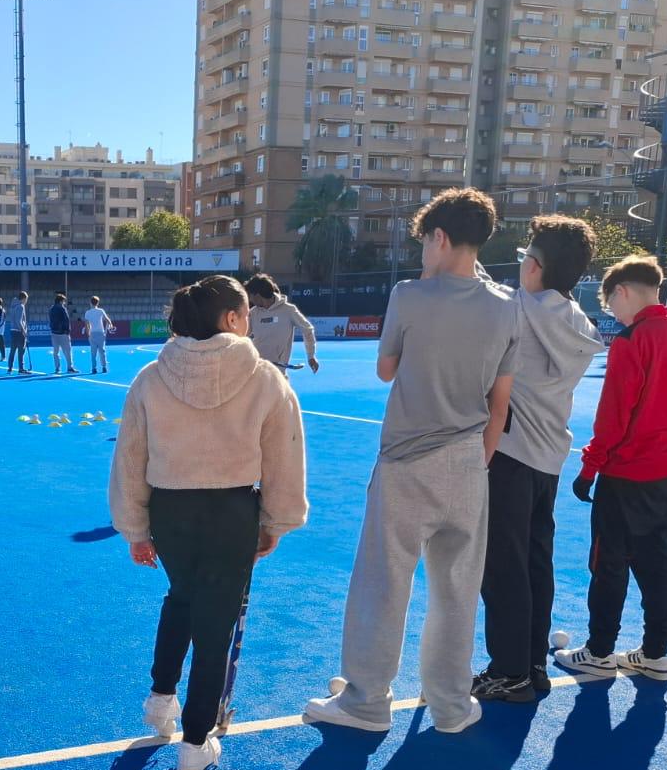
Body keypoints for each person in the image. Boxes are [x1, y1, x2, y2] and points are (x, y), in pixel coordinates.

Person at [301, 187, 517, 735]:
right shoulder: (507, 304)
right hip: (469, 461)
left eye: (424, 242)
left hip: (407, 461)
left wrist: (424, 286)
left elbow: (386, 369)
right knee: (457, 591)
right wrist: (476, 460)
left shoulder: (409, 294)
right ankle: (451, 705)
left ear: (439, 237)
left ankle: (366, 702)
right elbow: (501, 402)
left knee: (383, 581)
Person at [109, 274, 309, 770]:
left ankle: (161, 699)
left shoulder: (151, 378)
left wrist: (135, 528)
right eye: (246, 316)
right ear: (232, 318)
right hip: (231, 512)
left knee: (182, 597)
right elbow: (284, 459)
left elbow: (130, 458)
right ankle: (195, 742)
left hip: (170, 511)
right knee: (216, 624)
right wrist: (276, 521)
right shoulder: (266, 378)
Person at [555, 254, 667, 682]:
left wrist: (590, 466)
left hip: (627, 474)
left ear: (622, 292)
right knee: (657, 560)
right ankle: (655, 653)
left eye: (610, 304)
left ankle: (600, 652)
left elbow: (614, 415)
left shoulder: (631, 339)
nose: (612, 314)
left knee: (609, 563)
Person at [475, 217, 600, 702]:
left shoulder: (515, 309)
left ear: (533, 266)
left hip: (508, 452)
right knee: (534, 562)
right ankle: (530, 665)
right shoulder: (579, 323)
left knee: (501, 567)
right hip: (548, 455)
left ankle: (509, 672)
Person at [244, 274, 319, 374]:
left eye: (250, 296)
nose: (250, 300)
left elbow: (308, 329)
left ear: (257, 295)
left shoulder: (288, 310)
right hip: (256, 370)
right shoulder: (253, 313)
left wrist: (311, 356)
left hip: (278, 374)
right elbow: (242, 336)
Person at [82, 294, 115, 373]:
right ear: (98, 303)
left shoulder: (87, 312)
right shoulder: (100, 310)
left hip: (93, 333)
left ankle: (94, 368)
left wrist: (88, 334)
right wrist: (110, 325)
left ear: (90, 302)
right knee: (102, 351)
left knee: (93, 352)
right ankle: (104, 367)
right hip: (100, 333)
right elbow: (107, 320)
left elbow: (86, 325)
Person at [48, 291, 78, 374]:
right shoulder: (62, 308)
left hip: (54, 332)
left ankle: (57, 368)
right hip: (63, 333)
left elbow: (50, 319)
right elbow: (66, 320)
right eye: (64, 301)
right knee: (67, 351)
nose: (64, 303)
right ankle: (70, 367)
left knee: (56, 352)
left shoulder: (51, 308)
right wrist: (67, 331)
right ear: (61, 301)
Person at [6, 291, 31, 374]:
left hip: (13, 330)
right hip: (19, 331)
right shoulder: (21, 306)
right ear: (24, 298)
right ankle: (21, 368)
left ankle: (10, 368)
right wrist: (23, 331)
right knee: (21, 351)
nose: (26, 301)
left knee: (12, 350)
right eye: (26, 299)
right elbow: (19, 320)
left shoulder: (13, 306)